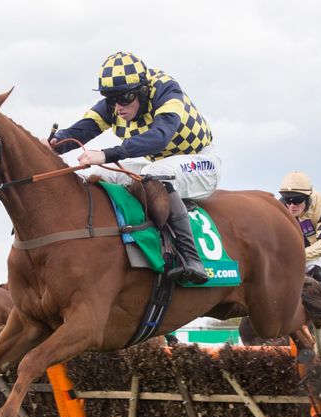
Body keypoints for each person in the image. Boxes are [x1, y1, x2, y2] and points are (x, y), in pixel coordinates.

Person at [42, 52, 221, 284]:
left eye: (124, 99)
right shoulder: (117, 101)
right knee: (97, 174)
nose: (117, 107)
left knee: (153, 175)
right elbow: (83, 129)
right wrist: (51, 145)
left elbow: (160, 137)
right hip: (158, 161)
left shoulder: (166, 90)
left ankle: (191, 258)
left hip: (201, 160)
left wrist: (106, 154)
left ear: (143, 90)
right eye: (111, 100)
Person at [278, 171, 321, 304]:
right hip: (295, 252)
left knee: (309, 264)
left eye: (296, 201)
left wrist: (298, 255)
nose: (291, 206)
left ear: (308, 198)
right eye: (287, 200)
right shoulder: (280, 207)